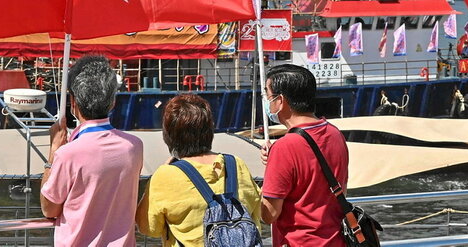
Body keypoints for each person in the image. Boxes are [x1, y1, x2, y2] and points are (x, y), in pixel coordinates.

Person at [41, 55, 143, 247]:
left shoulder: (67, 154)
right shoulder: (134, 147)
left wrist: (54, 150)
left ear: (73, 102)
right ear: (112, 102)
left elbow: (49, 208)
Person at [136, 94, 261, 246]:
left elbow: (148, 228)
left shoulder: (165, 175)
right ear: (209, 130)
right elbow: (256, 211)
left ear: (169, 135)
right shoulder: (236, 164)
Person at [260, 64, 349, 247]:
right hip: (336, 240)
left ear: (280, 100)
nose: (268, 102)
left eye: (268, 96)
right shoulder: (335, 134)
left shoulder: (285, 147)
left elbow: (269, 215)